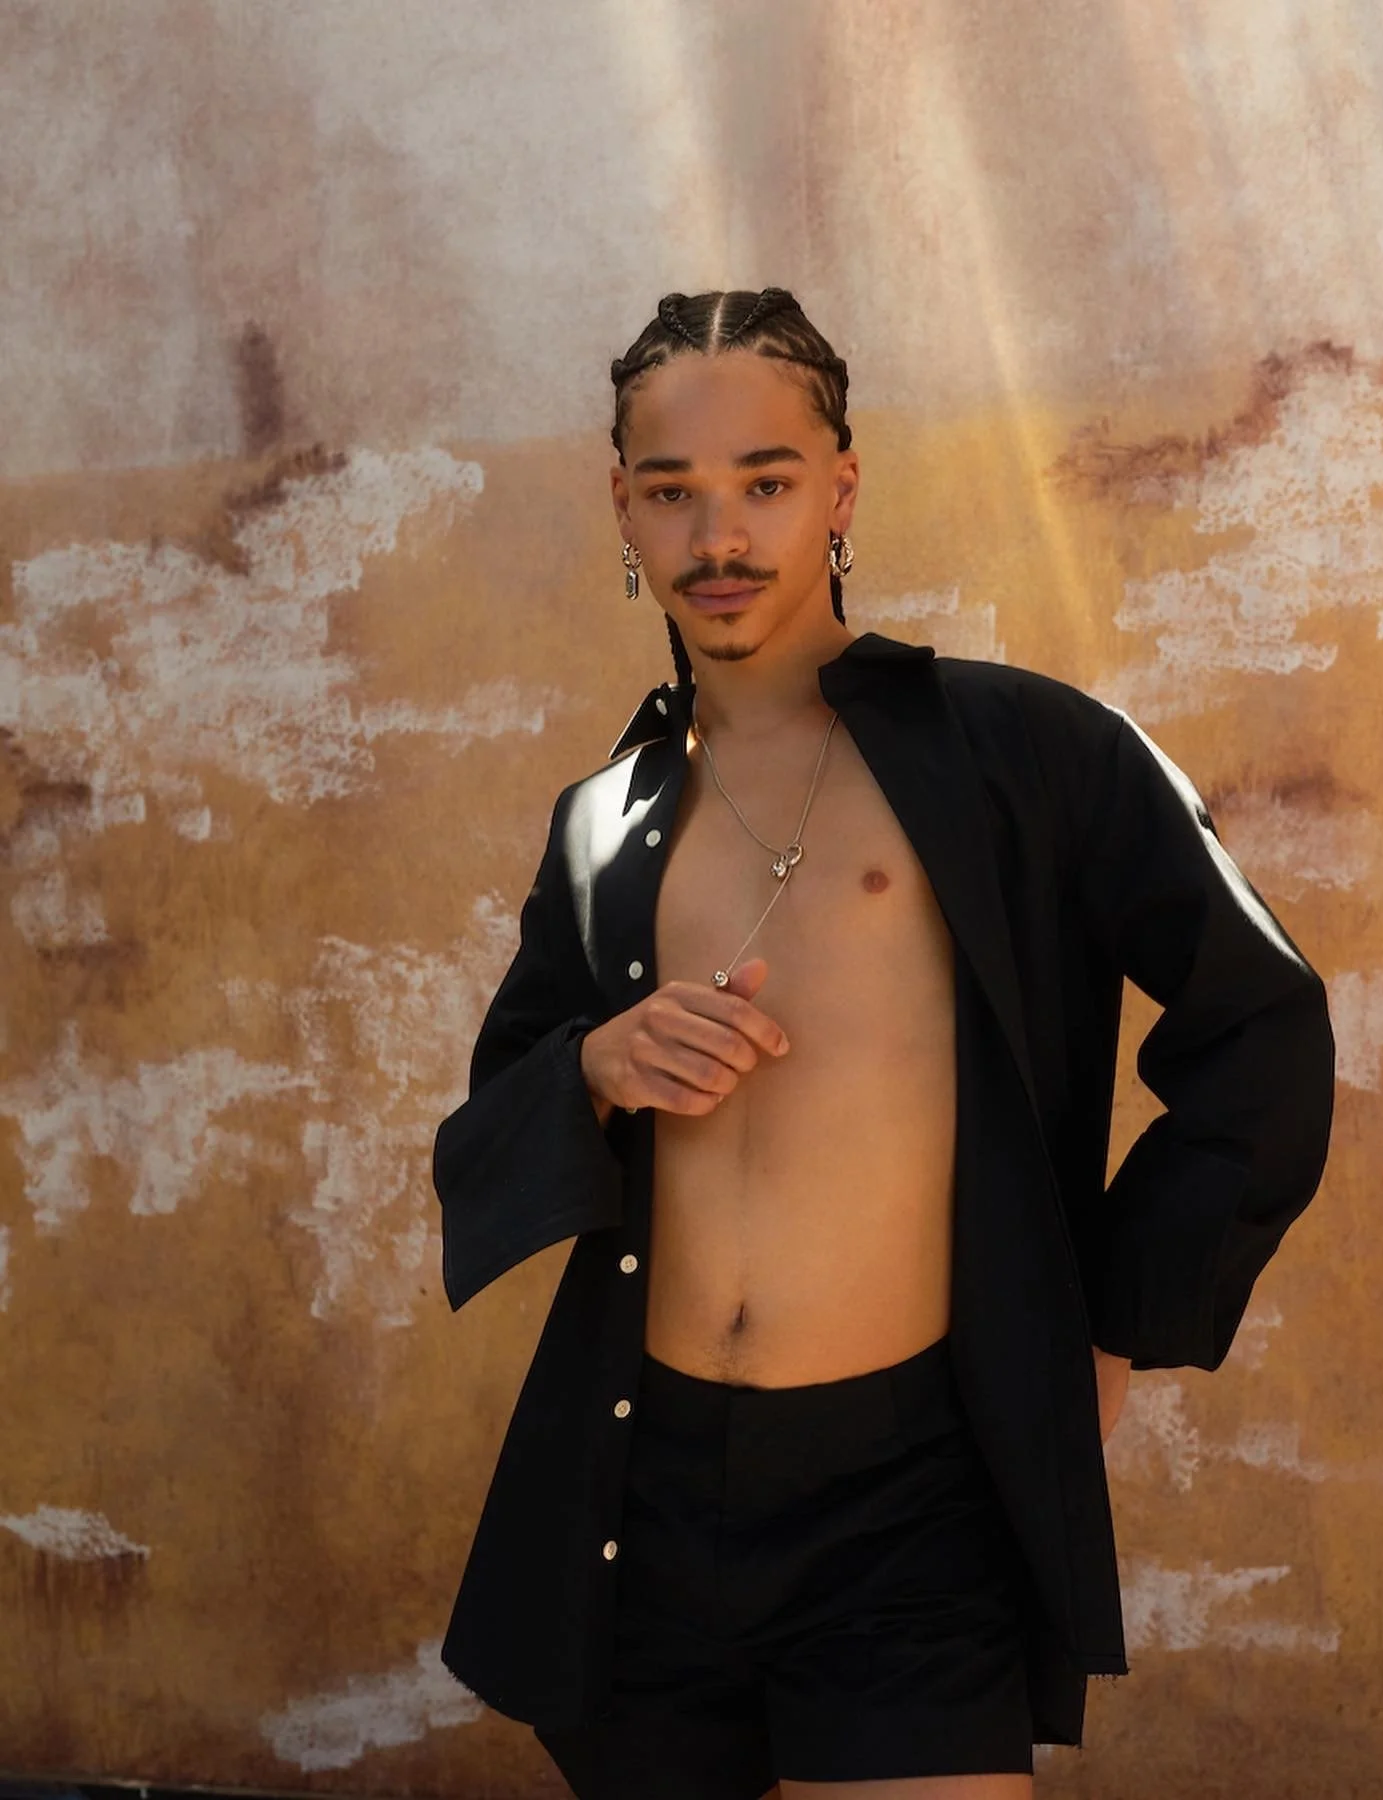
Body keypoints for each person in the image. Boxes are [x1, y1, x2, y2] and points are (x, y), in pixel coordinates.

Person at [431, 288, 1336, 1800]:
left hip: (910, 1501)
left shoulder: (1026, 751)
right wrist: (595, 1070)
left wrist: (1110, 1326)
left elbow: (1265, 1018)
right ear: (625, 510)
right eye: (674, 491)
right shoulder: (602, 822)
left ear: (840, 487)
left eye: (766, 483)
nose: (720, 535)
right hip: (638, 1489)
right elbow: (488, 1127)